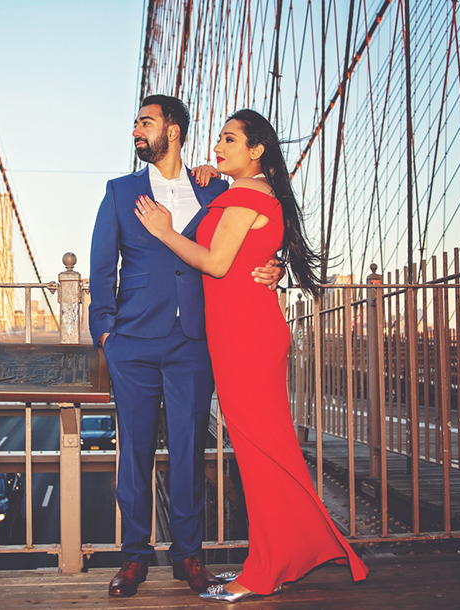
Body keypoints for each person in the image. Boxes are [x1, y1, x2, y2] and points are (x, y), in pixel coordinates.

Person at [135, 108, 369, 602]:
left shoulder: (245, 195)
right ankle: (280, 557)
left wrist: (164, 230)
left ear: (257, 149)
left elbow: (217, 264)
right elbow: (245, 252)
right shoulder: (247, 192)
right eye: (217, 139)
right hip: (243, 331)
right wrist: (211, 176)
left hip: (245, 336)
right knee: (264, 452)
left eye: (229, 139)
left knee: (260, 455)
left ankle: (264, 570)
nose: (217, 147)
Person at [89, 96, 282, 598]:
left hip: (195, 341)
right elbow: (101, 265)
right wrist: (105, 331)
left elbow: (250, 238)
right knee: (133, 453)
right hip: (131, 340)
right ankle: (134, 557)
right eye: (134, 122)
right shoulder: (119, 191)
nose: (136, 130)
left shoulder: (215, 187)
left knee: (189, 452)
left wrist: (273, 269)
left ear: (172, 131)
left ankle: (188, 556)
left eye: (145, 122)